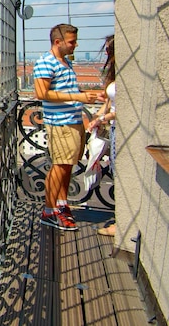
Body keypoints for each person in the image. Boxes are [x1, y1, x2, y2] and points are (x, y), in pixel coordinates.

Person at [33, 23, 104, 231]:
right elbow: (41, 94)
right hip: (60, 123)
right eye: (72, 41)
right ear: (58, 42)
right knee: (60, 167)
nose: (76, 45)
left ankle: (61, 205)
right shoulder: (46, 62)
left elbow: (67, 90)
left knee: (66, 167)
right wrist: (78, 96)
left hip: (71, 122)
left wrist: (89, 96)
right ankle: (48, 211)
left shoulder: (64, 62)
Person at [87, 34, 117, 236]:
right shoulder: (116, 71)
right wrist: (97, 116)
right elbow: (110, 101)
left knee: (120, 175)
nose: (106, 52)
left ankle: (122, 224)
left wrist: (103, 118)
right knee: (117, 171)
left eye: (109, 49)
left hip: (119, 128)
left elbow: (123, 106)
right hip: (114, 128)